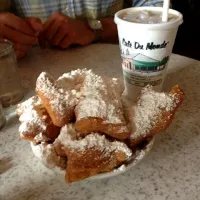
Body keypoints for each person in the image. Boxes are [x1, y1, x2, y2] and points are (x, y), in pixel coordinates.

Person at [0, 0, 163, 59]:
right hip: (27, 74)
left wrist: (95, 28)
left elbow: (159, 15)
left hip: (120, 65)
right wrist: (11, 32)